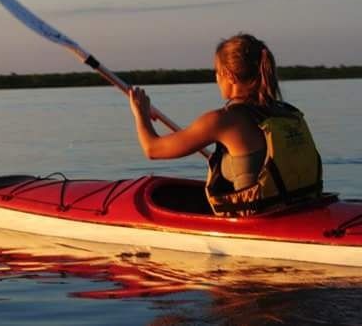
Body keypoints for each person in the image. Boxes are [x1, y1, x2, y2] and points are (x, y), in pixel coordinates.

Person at [129, 33, 323, 216]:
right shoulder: (288, 113)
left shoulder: (222, 121)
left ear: (229, 76)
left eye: (217, 72)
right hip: (300, 208)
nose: (216, 78)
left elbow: (152, 149)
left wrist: (141, 114)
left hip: (257, 222)